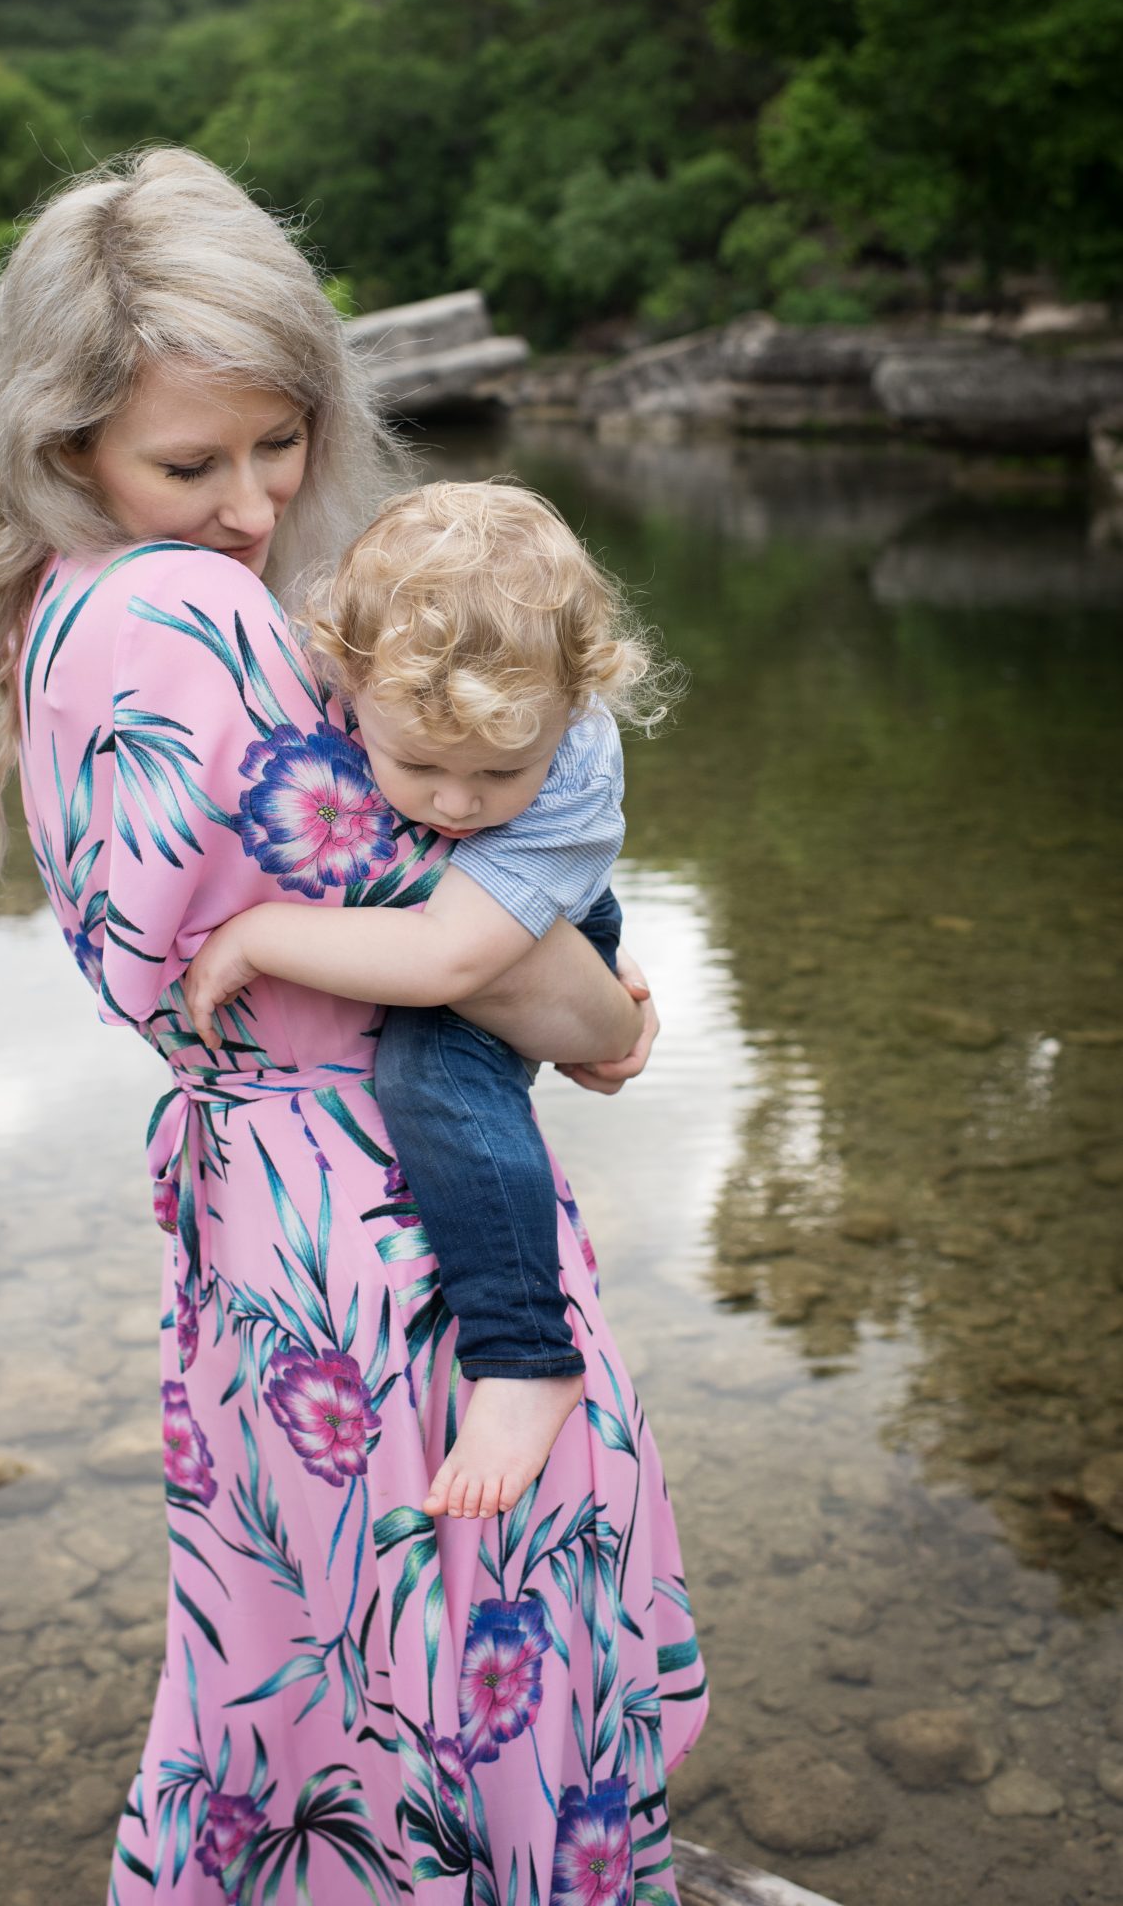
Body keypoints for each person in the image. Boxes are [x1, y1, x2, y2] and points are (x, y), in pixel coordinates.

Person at [0, 145, 706, 1904]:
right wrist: (607, 1015)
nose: (246, 505)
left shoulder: (58, 612)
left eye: (278, 443)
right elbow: (507, 979)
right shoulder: (197, 617)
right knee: (475, 1650)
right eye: (188, 462)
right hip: (383, 1227)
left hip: (256, 1219)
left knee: (311, 1669)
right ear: (64, 445)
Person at [183, 479, 670, 1527]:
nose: (455, 801)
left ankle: (527, 1356)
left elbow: (448, 959)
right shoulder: (363, 662)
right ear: (348, 675)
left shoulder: (570, 775)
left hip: (519, 923)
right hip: (471, 913)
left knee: (432, 1069)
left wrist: (258, 935)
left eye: (500, 770)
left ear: (572, 706)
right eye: (417, 763)